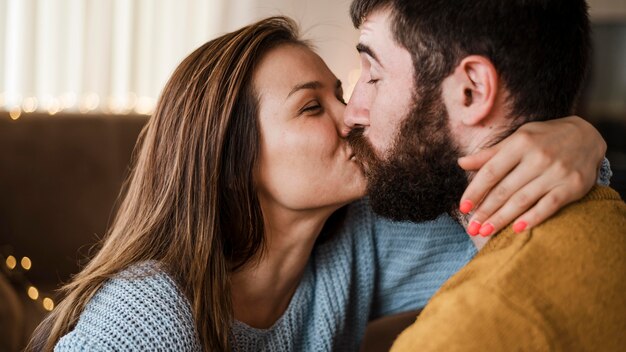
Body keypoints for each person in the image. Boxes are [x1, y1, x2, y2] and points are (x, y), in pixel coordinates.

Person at [28, 16, 607, 352]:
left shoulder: (358, 244)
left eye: (341, 90)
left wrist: (582, 143)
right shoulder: (148, 312)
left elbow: (525, 216)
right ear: (232, 163)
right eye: (311, 107)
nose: (354, 113)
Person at [344, 0, 626, 350]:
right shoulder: (608, 221)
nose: (350, 114)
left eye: (373, 75)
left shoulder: (465, 330)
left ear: (472, 91)